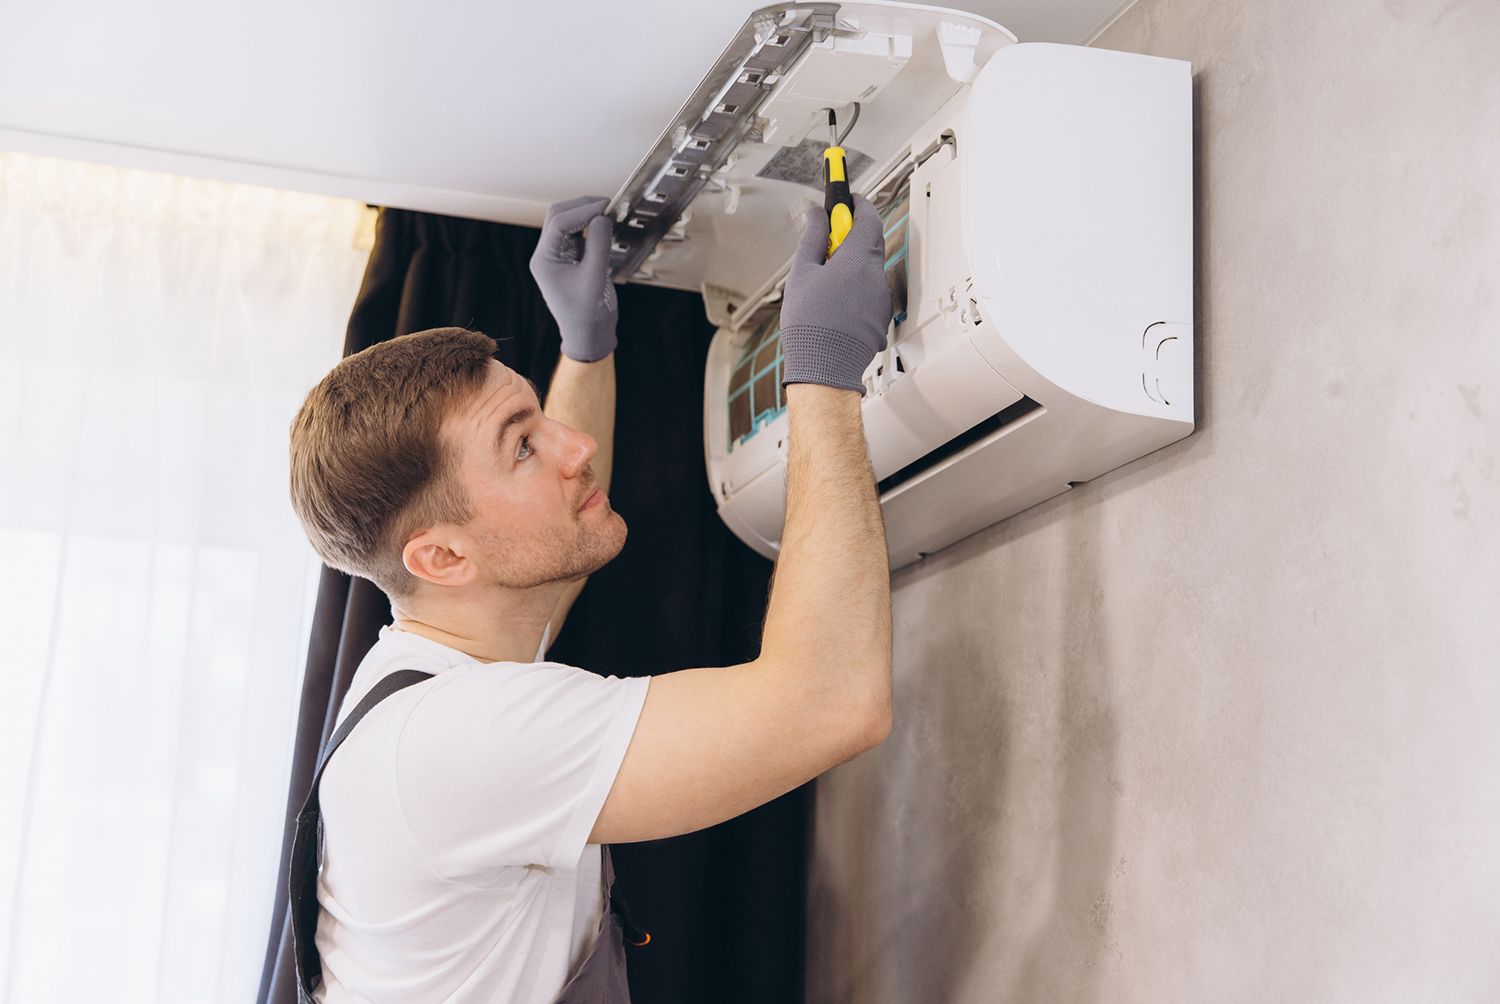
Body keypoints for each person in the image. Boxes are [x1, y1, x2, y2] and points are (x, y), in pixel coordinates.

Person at [285, 192, 895, 1002]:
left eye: (539, 417)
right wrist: (821, 372)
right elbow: (829, 703)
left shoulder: (441, 655)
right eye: (523, 447)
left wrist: (587, 348)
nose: (577, 452)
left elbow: (543, 555)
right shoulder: (456, 742)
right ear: (441, 556)